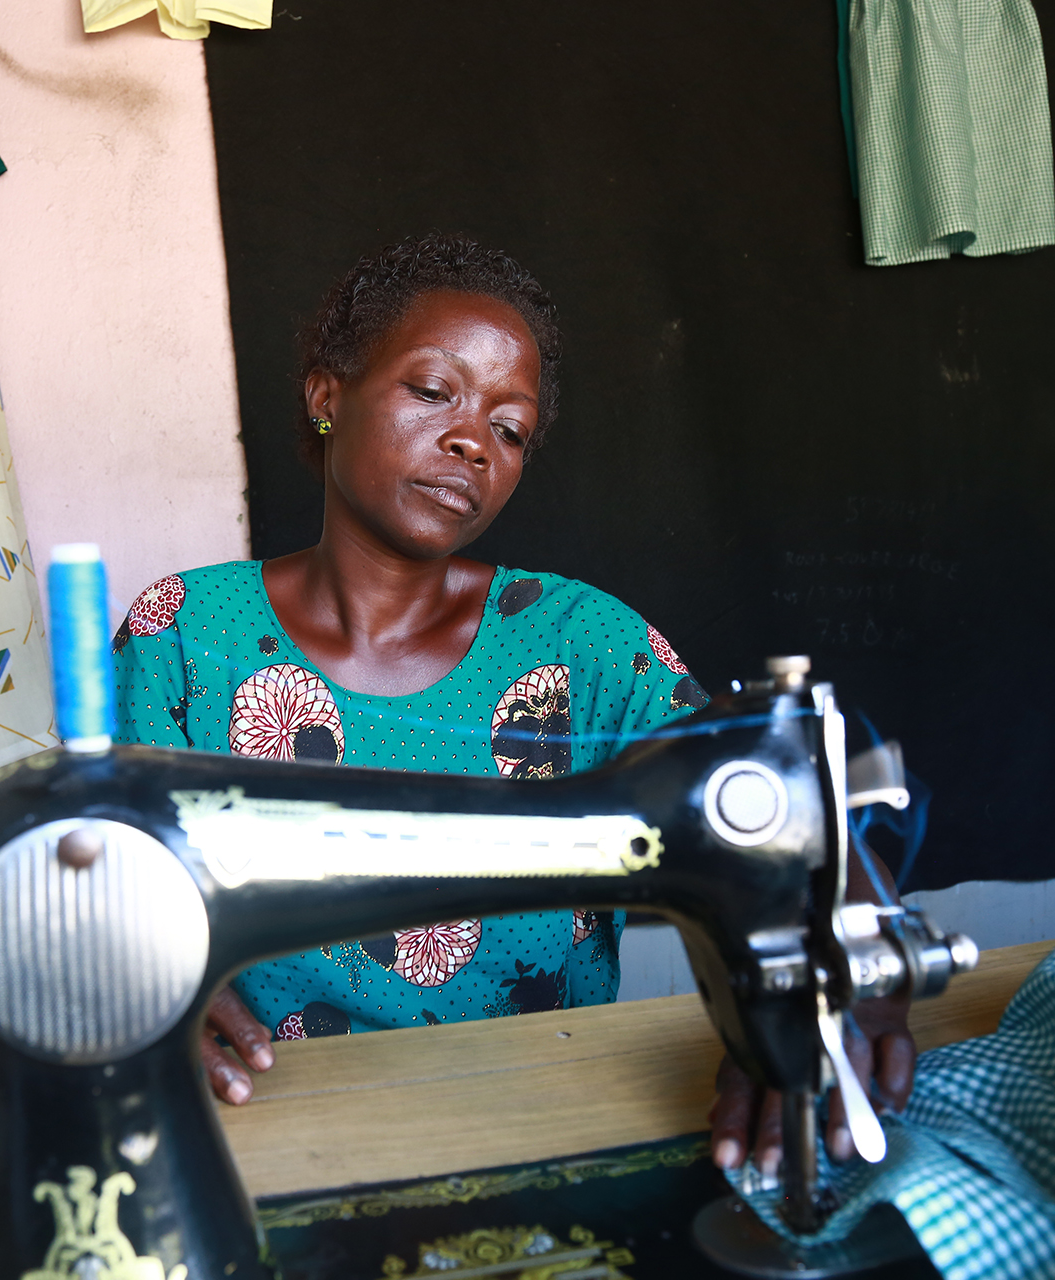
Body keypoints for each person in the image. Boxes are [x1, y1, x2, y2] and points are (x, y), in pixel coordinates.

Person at [111, 232, 911, 1178]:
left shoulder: (586, 646)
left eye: (510, 428)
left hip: (546, 1113)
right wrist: (147, 981)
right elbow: (107, 873)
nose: (470, 442)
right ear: (328, 397)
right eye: (432, 390)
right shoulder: (182, 632)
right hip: (264, 1121)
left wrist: (859, 968)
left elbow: (774, 810)